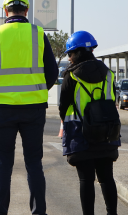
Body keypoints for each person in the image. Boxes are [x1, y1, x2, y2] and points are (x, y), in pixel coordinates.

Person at [0, 0, 58, 215]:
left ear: (5, 11)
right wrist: (36, 90)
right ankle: (39, 211)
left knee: (4, 163)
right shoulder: (38, 34)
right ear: (27, 10)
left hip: (2, 109)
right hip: (34, 108)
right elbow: (52, 73)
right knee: (34, 163)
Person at [59, 31, 120, 215]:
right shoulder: (109, 74)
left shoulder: (72, 77)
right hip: (107, 134)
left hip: (82, 135)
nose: (69, 58)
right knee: (107, 178)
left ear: (77, 52)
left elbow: (63, 108)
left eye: (70, 54)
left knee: (86, 180)